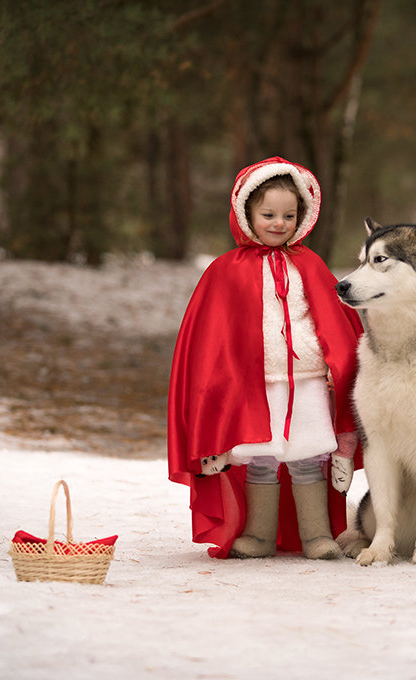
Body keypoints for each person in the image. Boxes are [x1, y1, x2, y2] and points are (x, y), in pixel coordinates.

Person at [167, 157, 363, 559]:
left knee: (307, 456)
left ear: (302, 216)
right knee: (260, 459)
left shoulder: (310, 264)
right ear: (247, 213)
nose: (279, 223)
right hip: (254, 384)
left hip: (307, 378)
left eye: (288, 215)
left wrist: (332, 363)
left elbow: (335, 324)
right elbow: (212, 342)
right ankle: (258, 536)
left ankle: (316, 536)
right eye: (268, 214)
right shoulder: (225, 271)